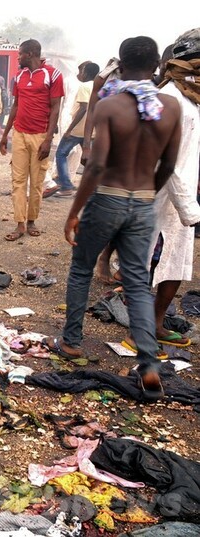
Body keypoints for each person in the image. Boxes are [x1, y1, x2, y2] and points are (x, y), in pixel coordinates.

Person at [44, 36, 181, 400]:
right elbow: (169, 164)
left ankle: (71, 342)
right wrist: (147, 193)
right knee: (136, 280)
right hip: (143, 200)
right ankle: (149, 364)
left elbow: (97, 164)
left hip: (108, 197)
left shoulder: (109, 106)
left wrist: (74, 211)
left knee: (81, 268)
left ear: (120, 64)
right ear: (157, 65)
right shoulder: (170, 106)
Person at [149, 28, 200, 348]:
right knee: (153, 262)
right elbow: (165, 160)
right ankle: (144, 327)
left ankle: (154, 323)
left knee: (174, 263)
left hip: (177, 196)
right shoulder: (169, 99)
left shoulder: (188, 98)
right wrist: (189, 208)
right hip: (162, 195)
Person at [0, 39, 65, 241]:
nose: (18, 57)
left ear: (29, 54)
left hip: (40, 136)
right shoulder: (19, 76)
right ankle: (19, 224)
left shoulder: (53, 74)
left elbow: (55, 108)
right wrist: (5, 134)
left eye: (20, 54)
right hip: (19, 134)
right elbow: (16, 106)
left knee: (36, 182)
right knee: (18, 181)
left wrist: (48, 139)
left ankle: (31, 221)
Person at [53, 62, 100, 196]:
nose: (80, 74)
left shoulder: (84, 86)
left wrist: (69, 129)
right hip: (91, 129)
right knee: (89, 159)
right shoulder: (99, 87)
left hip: (79, 129)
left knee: (61, 154)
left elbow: (83, 108)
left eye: (82, 71)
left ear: (86, 73)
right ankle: (96, 187)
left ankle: (66, 185)